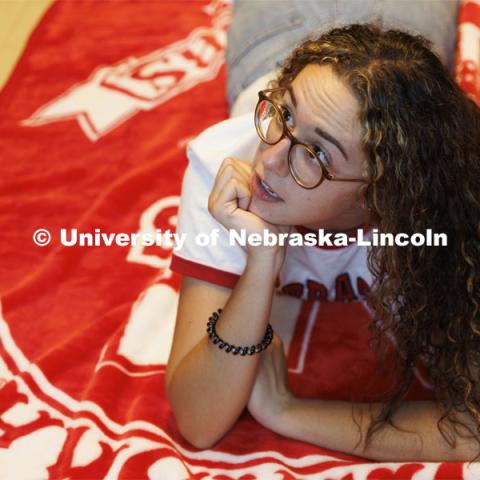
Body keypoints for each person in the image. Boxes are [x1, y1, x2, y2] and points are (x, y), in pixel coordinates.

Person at [165, 23, 480, 462]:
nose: (269, 160)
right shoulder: (227, 164)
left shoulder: (442, 209)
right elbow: (198, 421)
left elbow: (472, 428)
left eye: (315, 155)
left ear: (382, 193)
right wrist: (261, 263)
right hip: (275, 37)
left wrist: (286, 411)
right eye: (284, 115)